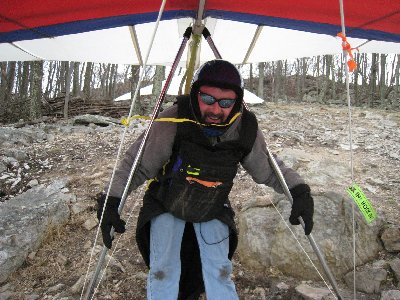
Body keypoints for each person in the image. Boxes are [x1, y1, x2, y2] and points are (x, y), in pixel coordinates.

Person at [97, 59, 314, 300]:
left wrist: (299, 191)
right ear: (195, 94)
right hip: (166, 201)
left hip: (212, 204)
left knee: (219, 272)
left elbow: (269, 169)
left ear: (237, 101)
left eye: (226, 102)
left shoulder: (244, 128)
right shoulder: (172, 121)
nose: (215, 109)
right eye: (208, 99)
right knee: (162, 273)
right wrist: (111, 200)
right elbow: (135, 166)